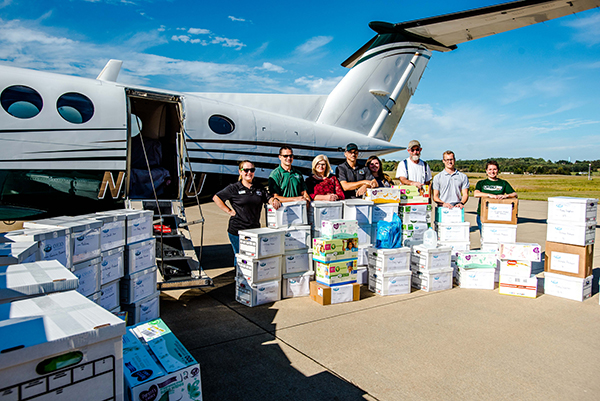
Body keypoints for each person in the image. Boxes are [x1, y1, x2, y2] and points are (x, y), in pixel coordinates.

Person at [213, 160, 281, 264]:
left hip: (254, 229)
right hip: (237, 230)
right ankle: (239, 279)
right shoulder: (234, 188)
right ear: (240, 172)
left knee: (252, 258)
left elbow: (268, 197)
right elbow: (216, 198)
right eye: (246, 170)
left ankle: (249, 279)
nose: (249, 173)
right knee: (241, 257)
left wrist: (273, 200)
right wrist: (229, 211)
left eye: (252, 170)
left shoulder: (258, 187)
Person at [474, 160, 517, 231]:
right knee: (485, 237)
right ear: (486, 171)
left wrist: (506, 196)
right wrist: (489, 195)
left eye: (494, 169)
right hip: (483, 214)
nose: (492, 172)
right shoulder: (481, 183)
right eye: (490, 169)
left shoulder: (503, 183)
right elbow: (476, 194)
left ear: (498, 170)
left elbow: (514, 194)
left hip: (498, 214)